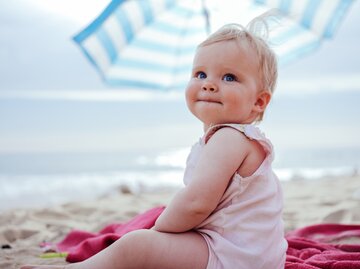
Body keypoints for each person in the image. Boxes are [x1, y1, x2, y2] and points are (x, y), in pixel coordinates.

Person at [21, 13, 287, 269]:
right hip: (245, 252)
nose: (209, 84)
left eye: (229, 77)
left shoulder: (229, 138)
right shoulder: (231, 139)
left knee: (138, 245)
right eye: (200, 74)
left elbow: (195, 205)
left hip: (232, 257)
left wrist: (159, 230)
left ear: (259, 101)